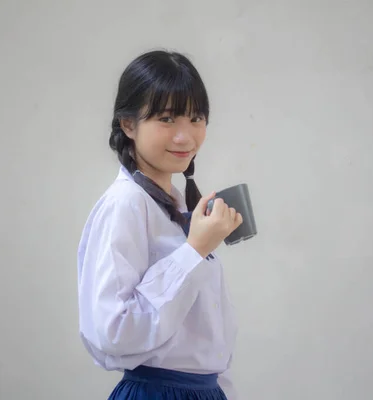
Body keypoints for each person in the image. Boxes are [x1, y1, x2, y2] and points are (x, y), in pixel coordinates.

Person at [77, 49, 242, 400]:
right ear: (128, 124)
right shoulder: (126, 204)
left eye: (196, 119)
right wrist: (194, 251)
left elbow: (208, 346)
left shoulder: (177, 206)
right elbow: (114, 331)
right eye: (167, 119)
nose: (186, 136)